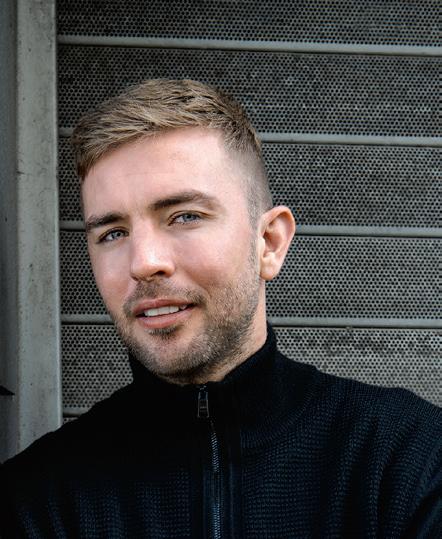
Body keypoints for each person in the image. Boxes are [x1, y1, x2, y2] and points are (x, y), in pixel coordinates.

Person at [0, 79, 440, 538]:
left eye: (184, 216)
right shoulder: (36, 504)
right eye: (112, 233)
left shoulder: (408, 463)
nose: (144, 262)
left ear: (269, 243)